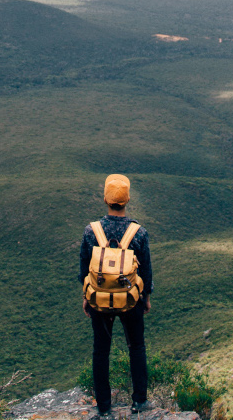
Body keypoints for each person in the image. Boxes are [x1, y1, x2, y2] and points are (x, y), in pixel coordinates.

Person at [80, 174, 154, 420]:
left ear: (105, 199)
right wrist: (145, 298)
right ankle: (139, 402)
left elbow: (84, 269)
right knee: (136, 347)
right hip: (130, 300)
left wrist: (86, 296)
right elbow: (146, 269)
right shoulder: (139, 232)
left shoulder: (92, 231)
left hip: (99, 300)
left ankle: (103, 406)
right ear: (127, 200)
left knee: (101, 351)